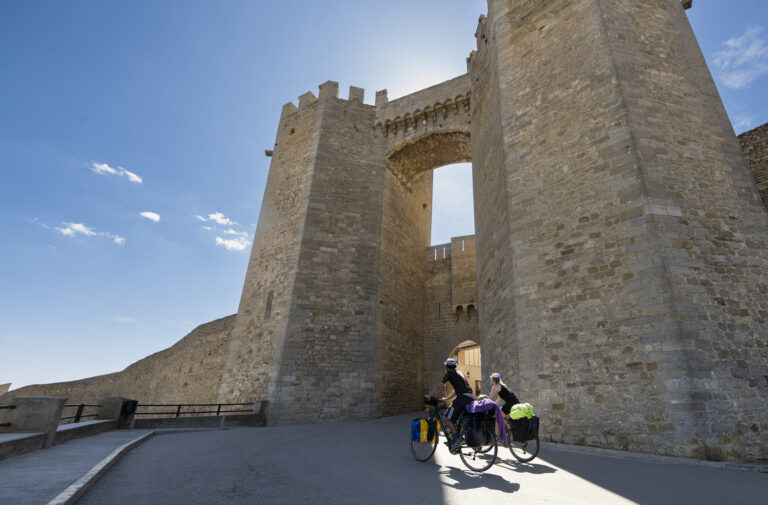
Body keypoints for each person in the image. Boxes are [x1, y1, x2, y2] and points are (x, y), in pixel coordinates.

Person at [428, 358, 474, 451]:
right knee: (454, 418)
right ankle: (453, 438)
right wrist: (447, 399)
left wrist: (430, 395)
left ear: (446, 367)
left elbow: (439, 386)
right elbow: (458, 390)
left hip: (462, 398)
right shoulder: (460, 373)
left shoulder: (449, 374)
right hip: (469, 396)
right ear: (455, 366)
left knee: (446, 418)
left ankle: (457, 438)